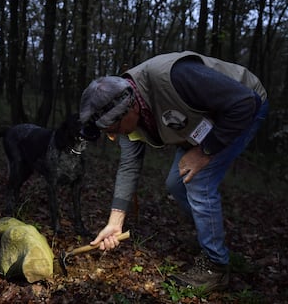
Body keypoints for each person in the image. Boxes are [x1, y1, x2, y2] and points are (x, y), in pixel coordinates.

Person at [79, 51, 268, 292]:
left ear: (132, 108)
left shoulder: (176, 76)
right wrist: (115, 222)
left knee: (198, 179)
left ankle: (216, 267)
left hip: (242, 107)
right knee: (176, 183)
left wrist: (204, 152)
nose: (113, 135)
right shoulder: (123, 111)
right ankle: (209, 237)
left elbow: (244, 102)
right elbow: (128, 166)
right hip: (200, 124)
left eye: (114, 127)